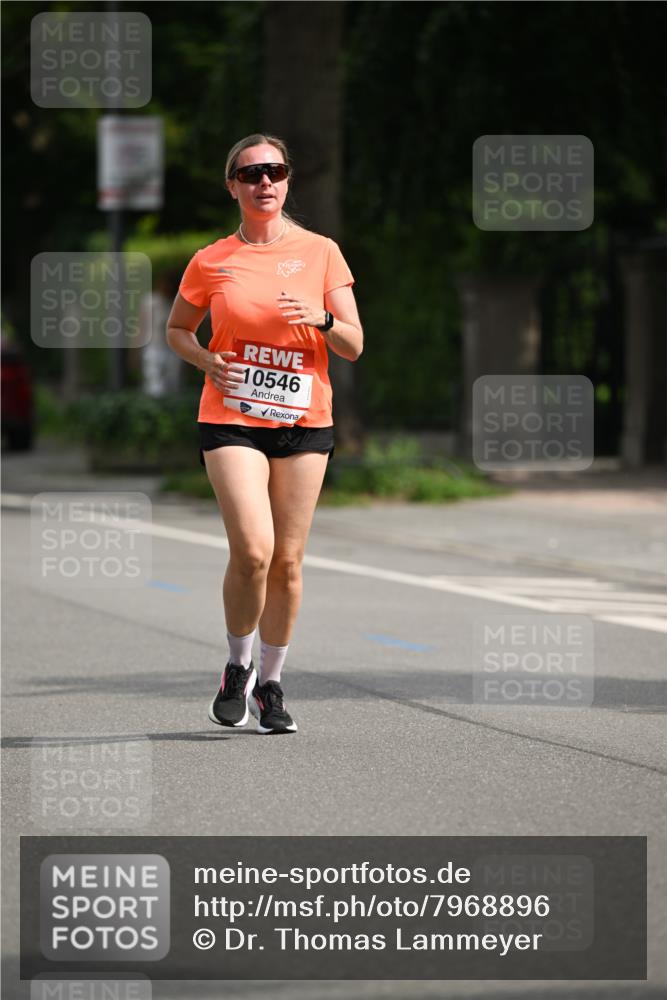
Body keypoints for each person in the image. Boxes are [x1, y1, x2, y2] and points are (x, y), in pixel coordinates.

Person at [166, 133, 363, 734]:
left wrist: (323, 319)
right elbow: (177, 330)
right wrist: (205, 360)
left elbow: (353, 345)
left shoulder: (321, 252)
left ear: (288, 181)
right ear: (233, 186)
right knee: (252, 552)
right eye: (252, 174)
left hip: (305, 420)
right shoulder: (211, 259)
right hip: (231, 417)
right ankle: (236, 666)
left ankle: (271, 685)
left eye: (275, 172)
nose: (265, 183)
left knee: (288, 563)